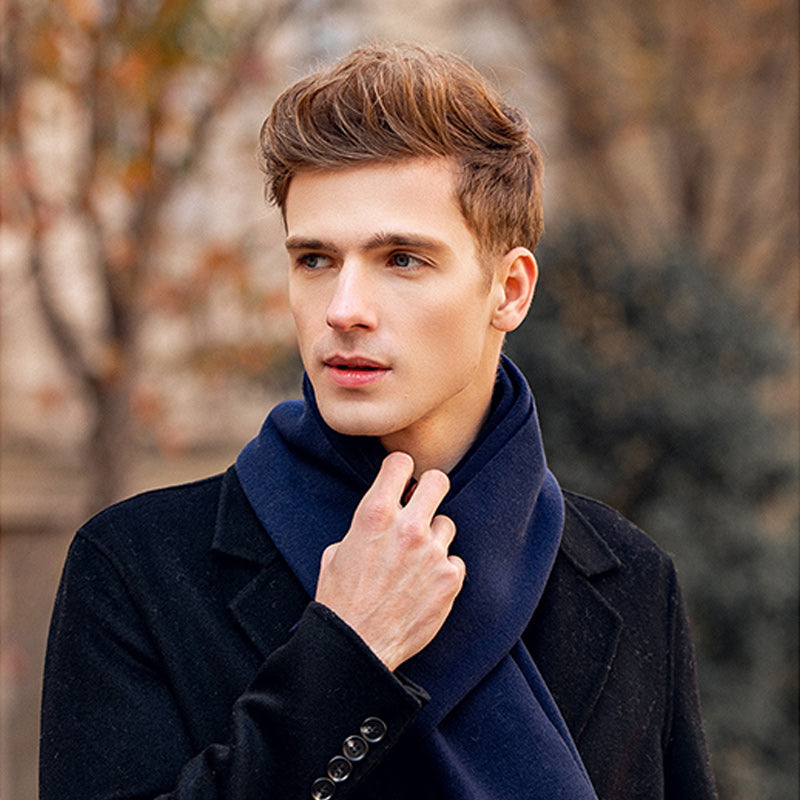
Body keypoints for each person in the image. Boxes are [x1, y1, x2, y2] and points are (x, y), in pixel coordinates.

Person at [40, 43, 717, 800]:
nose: (343, 310)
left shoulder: (629, 580)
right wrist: (344, 659)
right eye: (315, 260)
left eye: (401, 259)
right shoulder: (136, 567)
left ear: (510, 291)